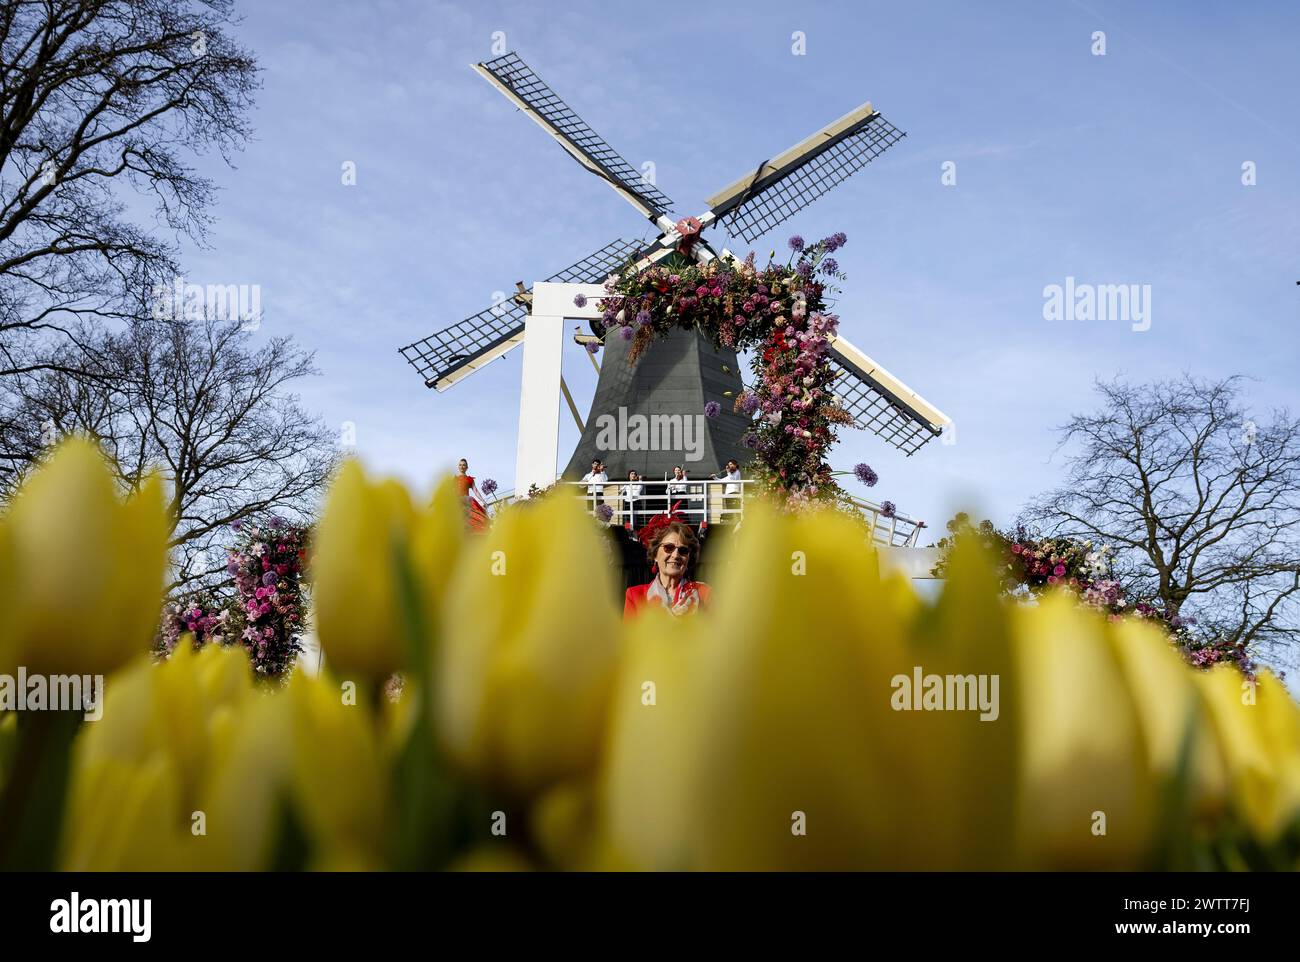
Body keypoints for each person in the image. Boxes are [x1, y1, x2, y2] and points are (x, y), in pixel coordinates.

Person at [624, 520, 711, 619]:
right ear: (655, 555)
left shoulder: (703, 593)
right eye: (669, 547)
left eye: (683, 551)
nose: (675, 555)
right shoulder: (634, 595)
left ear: (688, 559)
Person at [455, 458, 489, 532]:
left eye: (464, 465)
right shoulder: (455, 479)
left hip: (466, 501)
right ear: (458, 467)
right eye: (460, 465)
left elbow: (475, 491)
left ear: (467, 467)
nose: (462, 467)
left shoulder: (470, 479)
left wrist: (483, 501)